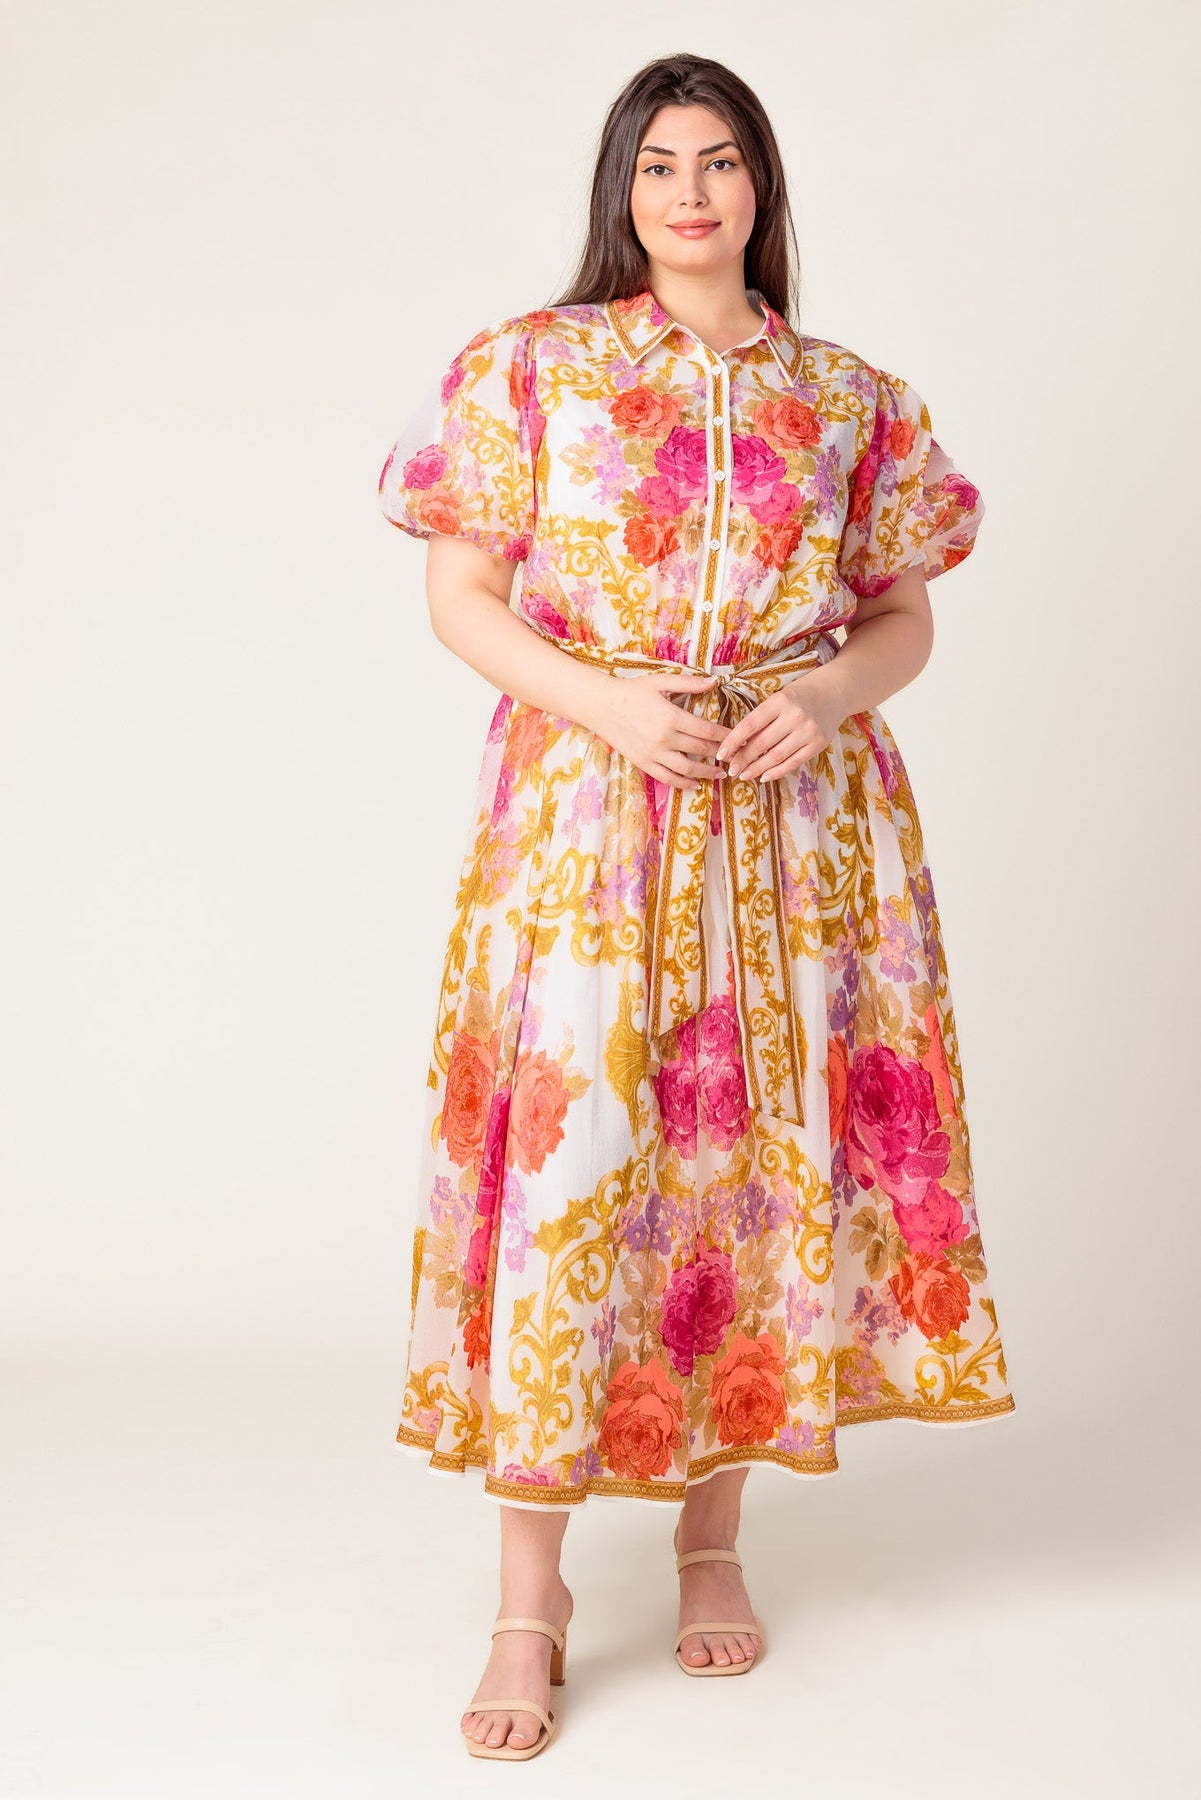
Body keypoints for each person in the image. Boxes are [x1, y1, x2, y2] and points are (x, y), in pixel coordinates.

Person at [378, 51, 1016, 1762]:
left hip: (792, 825)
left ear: (759, 187)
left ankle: (712, 1536)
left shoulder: (849, 397)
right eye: (657, 163)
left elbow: (901, 616)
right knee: (574, 1162)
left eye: (718, 161)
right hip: (591, 821)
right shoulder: (532, 367)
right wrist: (606, 706)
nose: (687, 192)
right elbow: (462, 592)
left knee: (747, 1158)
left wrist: (825, 695)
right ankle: (528, 1600)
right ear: (621, 188)